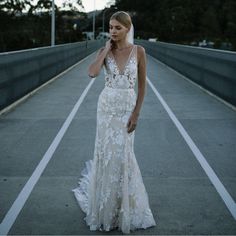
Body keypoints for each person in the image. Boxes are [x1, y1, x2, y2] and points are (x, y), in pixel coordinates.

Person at [72, 11, 157, 234]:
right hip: (106, 109)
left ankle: (124, 207)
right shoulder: (105, 50)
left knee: (123, 156)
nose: (113, 31)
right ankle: (105, 209)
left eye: (117, 27)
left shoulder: (139, 52)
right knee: (106, 155)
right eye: (110, 27)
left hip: (126, 110)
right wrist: (105, 51)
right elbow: (92, 73)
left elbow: (142, 87)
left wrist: (136, 114)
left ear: (128, 29)